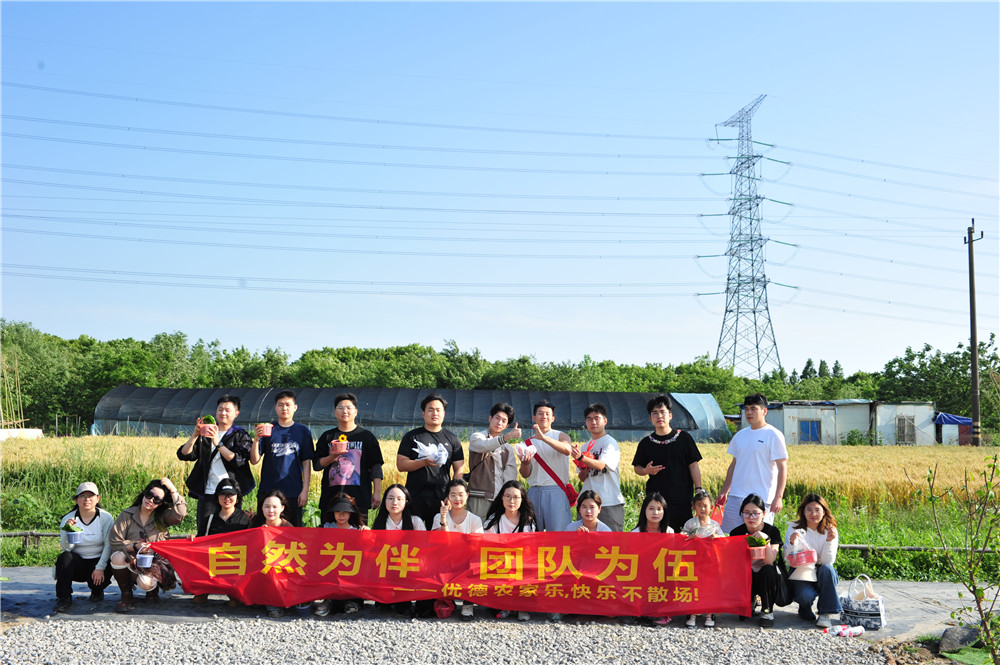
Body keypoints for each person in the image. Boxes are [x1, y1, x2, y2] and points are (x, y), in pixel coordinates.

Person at [177, 394, 255, 535]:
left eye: (227, 410)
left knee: (231, 531)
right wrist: (195, 435)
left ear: (236, 413)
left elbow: (238, 460)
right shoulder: (206, 432)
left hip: (231, 492)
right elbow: (185, 454)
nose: (223, 413)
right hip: (208, 491)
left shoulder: (240, 435)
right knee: (205, 531)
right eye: (220, 409)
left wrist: (217, 443)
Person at [109, 477, 187, 613]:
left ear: (161, 503)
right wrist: (135, 546)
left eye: (156, 499)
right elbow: (115, 542)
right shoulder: (127, 514)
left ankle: (152, 591)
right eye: (149, 495)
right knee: (117, 557)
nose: (150, 500)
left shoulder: (162, 516)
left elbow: (180, 514)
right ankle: (126, 594)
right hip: (131, 562)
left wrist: (172, 489)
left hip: (154, 564)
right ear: (144, 493)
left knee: (145, 583)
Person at [716, 393, 788, 535]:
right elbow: (734, 465)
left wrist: (778, 497)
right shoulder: (740, 435)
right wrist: (725, 491)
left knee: (759, 539)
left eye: (753, 409)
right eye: (747, 409)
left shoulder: (774, 434)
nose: (749, 412)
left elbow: (782, 467)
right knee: (730, 537)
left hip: (761, 498)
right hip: (736, 496)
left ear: (764, 411)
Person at [632, 394, 704, 533]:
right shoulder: (646, 443)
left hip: (681, 498)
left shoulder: (684, 438)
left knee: (682, 535)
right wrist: (646, 471)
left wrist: (699, 489)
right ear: (650, 418)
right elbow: (637, 468)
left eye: (662, 412)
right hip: (656, 501)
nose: (659, 416)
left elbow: (694, 465)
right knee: (656, 535)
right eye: (655, 413)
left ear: (670, 415)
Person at [314, 393, 384, 526]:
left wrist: (377, 492)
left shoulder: (366, 436)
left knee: (359, 535)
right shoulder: (327, 437)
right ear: (335, 412)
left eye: (348, 407)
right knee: (328, 535)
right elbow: (317, 465)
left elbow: (375, 466)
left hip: (359, 498)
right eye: (340, 408)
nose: (344, 411)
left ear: (355, 411)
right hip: (331, 498)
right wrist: (332, 456)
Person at [396, 394, 464, 529]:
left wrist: (452, 494)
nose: (435, 413)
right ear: (423, 413)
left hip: (441, 497)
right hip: (414, 495)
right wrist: (423, 462)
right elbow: (401, 464)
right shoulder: (412, 436)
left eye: (438, 410)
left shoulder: (452, 439)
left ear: (444, 413)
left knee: (438, 535)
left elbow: (459, 469)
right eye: (430, 410)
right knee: (413, 534)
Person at [251, 390, 314, 527]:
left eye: (288, 405)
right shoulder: (268, 429)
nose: (284, 408)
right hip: (268, 489)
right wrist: (256, 439)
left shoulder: (303, 431)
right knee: (265, 529)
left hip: (293, 490)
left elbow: (306, 462)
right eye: (280, 405)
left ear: (295, 407)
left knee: (292, 531)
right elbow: (254, 460)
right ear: (275, 408)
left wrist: (305, 491)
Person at [190, 478, 251, 607]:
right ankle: (205, 589)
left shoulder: (246, 518)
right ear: (217, 498)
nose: (226, 498)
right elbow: (200, 542)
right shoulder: (210, 519)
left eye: (230, 495)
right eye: (223, 495)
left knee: (234, 604)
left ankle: (233, 592)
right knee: (197, 600)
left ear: (237, 498)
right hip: (214, 563)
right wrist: (192, 539)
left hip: (236, 565)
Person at [54, 482, 113, 613]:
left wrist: (100, 567)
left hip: (98, 561)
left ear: (98, 499)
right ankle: (64, 598)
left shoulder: (105, 518)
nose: (87, 499)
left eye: (91, 496)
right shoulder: (68, 519)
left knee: (112, 560)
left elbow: (109, 545)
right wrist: (69, 531)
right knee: (64, 557)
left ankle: (97, 590)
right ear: (76, 499)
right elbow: (66, 547)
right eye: (82, 496)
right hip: (78, 562)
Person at [785, 493, 842, 628]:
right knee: (805, 596)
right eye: (809, 510)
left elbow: (827, 561)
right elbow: (788, 561)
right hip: (801, 570)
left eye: (817, 510)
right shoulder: (793, 528)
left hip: (822, 570)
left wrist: (829, 540)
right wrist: (792, 543)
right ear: (803, 511)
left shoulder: (830, 529)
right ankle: (804, 607)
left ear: (824, 512)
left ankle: (825, 613)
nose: (813, 514)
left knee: (827, 569)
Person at [483, 480, 535, 622]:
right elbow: (488, 547)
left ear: (522, 499)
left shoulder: (527, 522)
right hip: (499, 563)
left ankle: (522, 606)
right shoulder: (493, 521)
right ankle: (504, 605)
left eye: (516, 497)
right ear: (502, 498)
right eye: (508, 496)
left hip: (521, 563)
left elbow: (529, 549)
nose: (511, 501)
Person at [432, 479, 484, 621]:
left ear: (467, 495)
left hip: (466, 561)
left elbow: (477, 547)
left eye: (461, 494)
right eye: (453, 495)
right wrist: (444, 519)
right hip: (445, 560)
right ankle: (446, 600)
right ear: (447, 497)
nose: (457, 499)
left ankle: (468, 603)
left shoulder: (475, 520)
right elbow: (442, 543)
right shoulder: (438, 517)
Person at [519, 400, 574, 532]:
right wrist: (525, 464)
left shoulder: (560, 435)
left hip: (556, 490)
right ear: (534, 417)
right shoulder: (527, 443)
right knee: (532, 532)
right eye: (540, 413)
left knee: (559, 533)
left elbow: (567, 450)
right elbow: (525, 474)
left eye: (547, 414)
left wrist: (543, 438)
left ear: (553, 418)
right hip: (534, 491)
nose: (544, 416)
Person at [728, 494, 782, 628]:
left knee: (768, 570)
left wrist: (766, 541)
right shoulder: (736, 532)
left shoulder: (772, 531)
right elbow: (734, 562)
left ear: (763, 514)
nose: (751, 517)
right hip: (746, 575)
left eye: (755, 513)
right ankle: (748, 603)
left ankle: (767, 610)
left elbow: (770, 561)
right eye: (746, 513)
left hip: (766, 576)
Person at [572, 403, 625, 531]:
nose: (593, 422)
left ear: (605, 421)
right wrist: (583, 470)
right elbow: (582, 478)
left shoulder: (609, 442)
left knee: (612, 540)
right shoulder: (585, 446)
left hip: (609, 501)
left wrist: (581, 458)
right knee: (585, 538)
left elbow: (601, 465)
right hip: (587, 502)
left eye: (597, 418)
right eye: (589, 419)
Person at [314, 494, 369, 617]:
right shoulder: (325, 528)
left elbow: (369, 552)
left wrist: (368, 534)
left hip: (349, 568)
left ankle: (350, 600)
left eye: (345, 512)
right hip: (329, 566)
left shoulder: (358, 531)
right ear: (333, 512)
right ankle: (328, 600)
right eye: (338, 511)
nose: (341, 515)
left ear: (351, 513)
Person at [467, 402, 520, 519]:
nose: (499, 423)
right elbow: (485, 446)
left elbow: (510, 476)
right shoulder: (477, 437)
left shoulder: (507, 448)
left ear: (507, 426)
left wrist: (507, 497)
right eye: (497, 418)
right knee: (477, 528)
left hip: (499, 499)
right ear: (490, 418)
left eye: (504, 421)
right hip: (479, 496)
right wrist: (507, 437)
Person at [681, 490, 724, 628]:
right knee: (694, 586)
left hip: (710, 561)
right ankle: (692, 614)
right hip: (693, 561)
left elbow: (724, 539)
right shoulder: (690, 523)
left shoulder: (714, 525)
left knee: (709, 587)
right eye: (699, 505)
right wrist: (689, 536)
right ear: (694, 507)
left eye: (705, 506)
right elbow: (682, 536)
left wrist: (716, 537)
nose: (702, 509)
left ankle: (709, 615)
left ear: (711, 507)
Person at [252, 491, 294, 618]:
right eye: (267, 506)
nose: (270, 510)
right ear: (262, 508)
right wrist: (260, 535)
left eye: (275, 507)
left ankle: (274, 604)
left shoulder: (288, 527)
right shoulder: (256, 524)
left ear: (282, 508)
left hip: (282, 570)